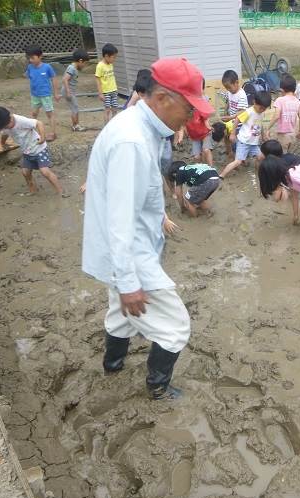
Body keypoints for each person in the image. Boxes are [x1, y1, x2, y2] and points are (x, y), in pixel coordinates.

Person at [82, 58, 213, 400]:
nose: (193, 116)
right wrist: (128, 281)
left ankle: (113, 365)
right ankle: (158, 387)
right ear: (162, 98)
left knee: (121, 313)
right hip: (130, 251)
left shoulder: (144, 129)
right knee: (174, 328)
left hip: (127, 248)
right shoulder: (132, 142)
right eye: (189, 107)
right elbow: (120, 218)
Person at [0, 106, 65, 196]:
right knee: (25, 172)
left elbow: (39, 123)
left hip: (39, 148)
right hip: (27, 151)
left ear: (10, 116)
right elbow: (4, 134)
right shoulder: (5, 127)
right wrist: (3, 143)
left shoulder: (20, 120)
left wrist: (42, 137)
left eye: (8, 124)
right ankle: (33, 190)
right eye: (4, 127)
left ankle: (60, 191)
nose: (8, 127)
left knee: (45, 171)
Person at [220, 91, 271, 178]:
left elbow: (260, 125)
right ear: (254, 102)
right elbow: (237, 119)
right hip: (244, 142)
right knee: (238, 161)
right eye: (261, 108)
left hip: (254, 143)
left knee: (261, 157)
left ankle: (258, 172)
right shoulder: (249, 112)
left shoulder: (262, 113)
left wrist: (263, 136)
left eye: (264, 108)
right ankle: (221, 175)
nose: (262, 110)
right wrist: (232, 133)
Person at [25, 45, 59, 141]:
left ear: (40, 56)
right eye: (29, 58)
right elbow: (29, 76)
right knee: (34, 113)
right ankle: (33, 132)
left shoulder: (47, 67)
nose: (31, 60)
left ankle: (53, 133)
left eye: (33, 58)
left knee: (49, 114)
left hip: (45, 95)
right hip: (35, 95)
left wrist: (56, 93)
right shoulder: (30, 67)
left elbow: (54, 78)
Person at [266, 74, 300, 152]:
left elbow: (276, 116)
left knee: (282, 154)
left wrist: (268, 128)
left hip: (282, 134)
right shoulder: (297, 101)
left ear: (282, 90)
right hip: (293, 134)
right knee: (289, 154)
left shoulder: (280, 100)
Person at [185, 79, 214, 166]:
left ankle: (211, 169)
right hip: (194, 134)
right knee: (196, 157)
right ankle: (201, 170)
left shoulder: (204, 99)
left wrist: (208, 125)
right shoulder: (187, 101)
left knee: (206, 150)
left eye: (199, 88)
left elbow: (207, 115)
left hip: (205, 132)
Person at [221, 69, 249, 160]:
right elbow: (228, 101)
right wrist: (226, 109)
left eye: (229, 87)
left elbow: (242, 112)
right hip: (231, 120)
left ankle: (240, 158)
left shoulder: (241, 95)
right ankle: (229, 152)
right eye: (226, 88)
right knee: (226, 135)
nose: (228, 90)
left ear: (236, 82)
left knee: (237, 141)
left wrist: (230, 117)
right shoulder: (230, 92)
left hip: (239, 123)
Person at [61, 48, 90, 132]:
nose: (84, 65)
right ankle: (75, 126)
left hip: (70, 91)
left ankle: (76, 125)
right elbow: (65, 79)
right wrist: (68, 91)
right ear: (80, 61)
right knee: (75, 108)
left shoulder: (73, 68)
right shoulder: (72, 68)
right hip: (68, 91)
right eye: (85, 63)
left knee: (75, 107)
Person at [95, 43, 119, 123]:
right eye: (113, 57)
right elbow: (97, 79)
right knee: (107, 109)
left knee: (115, 108)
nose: (114, 59)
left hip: (114, 90)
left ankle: (114, 124)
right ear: (106, 56)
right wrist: (100, 93)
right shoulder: (100, 66)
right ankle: (106, 127)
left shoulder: (110, 64)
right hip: (106, 92)